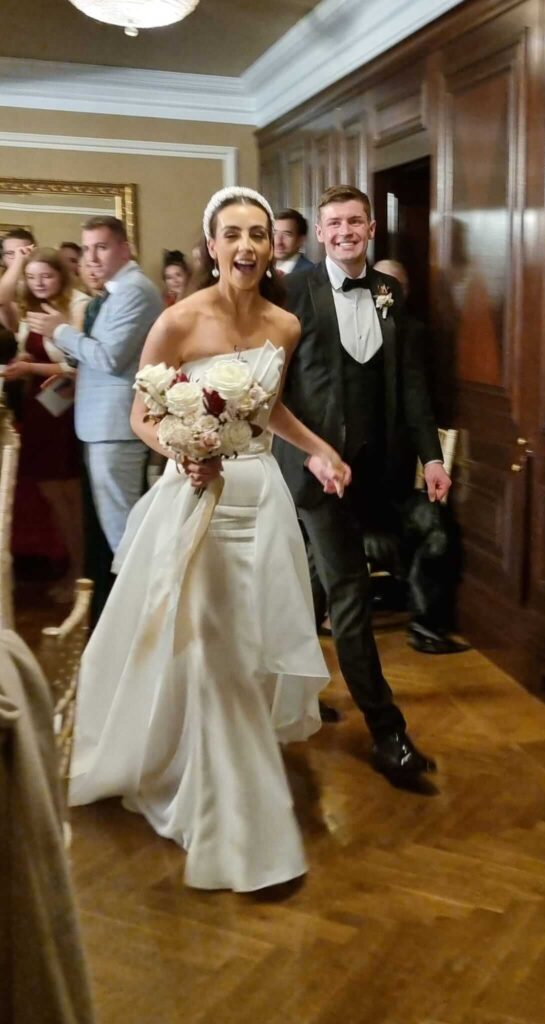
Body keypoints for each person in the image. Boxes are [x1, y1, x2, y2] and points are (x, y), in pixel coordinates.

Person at [68, 186, 351, 892]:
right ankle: (240, 825)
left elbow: (270, 406)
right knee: (210, 648)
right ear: (212, 244)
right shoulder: (176, 322)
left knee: (248, 647)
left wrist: (319, 450)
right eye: (233, 234)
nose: (247, 245)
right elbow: (141, 414)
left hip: (261, 497)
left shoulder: (284, 325)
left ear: (271, 244)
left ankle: (226, 776)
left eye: (258, 233)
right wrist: (179, 445)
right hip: (194, 498)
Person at [273, 185, 451, 786]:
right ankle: (387, 732)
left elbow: (412, 383)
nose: (345, 230)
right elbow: (270, 390)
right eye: (333, 223)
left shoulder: (389, 293)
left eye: (355, 221)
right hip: (314, 475)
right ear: (319, 234)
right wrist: (312, 453)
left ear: (371, 229)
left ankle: (289, 696)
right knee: (349, 590)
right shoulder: (291, 292)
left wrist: (431, 456)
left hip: (376, 474)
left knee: (317, 586)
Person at [26, 216, 163, 624]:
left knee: (124, 533)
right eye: (87, 249)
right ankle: (130, 620)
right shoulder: (112, 292)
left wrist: (62, 331)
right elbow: (94, 355)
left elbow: (110, 357)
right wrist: (62, 341)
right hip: (101, 425)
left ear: (125, 248)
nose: (92, 258)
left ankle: (141, 622)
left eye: (101, 247)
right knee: (114, 531)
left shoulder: (136, 290)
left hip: (117, 427)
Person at [373, 259, 468, 655]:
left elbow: (422, 404)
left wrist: (431, 461)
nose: (389, 291)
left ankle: (427, 629)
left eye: (398, 284)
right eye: (383, 283)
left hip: (403, 476)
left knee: (438, 533)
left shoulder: (416, 335)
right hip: (348, 478)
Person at [0, 248, 88, 599]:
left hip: (63, 407)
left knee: (68, 494)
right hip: (38, 408)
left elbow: (79, 365)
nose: (39, 284)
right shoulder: (29, 309)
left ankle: (80, 572)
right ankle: (72, 568)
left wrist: (30, 367)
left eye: (46, 276)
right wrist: (19, 263)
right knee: (53, 495)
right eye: (32, 278)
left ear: (61, 276)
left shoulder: (76, 305)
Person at [274, 209, 314, 275]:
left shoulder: (312, 274)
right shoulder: (262, 269)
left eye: (287, 234)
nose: (278, 242)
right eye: (274, 233)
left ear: (301, 240)